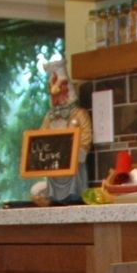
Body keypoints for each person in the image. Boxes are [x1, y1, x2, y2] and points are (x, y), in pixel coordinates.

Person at [35, 59, 94, 205]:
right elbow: (40, 139)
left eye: (61, 92)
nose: (58, 98)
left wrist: (75, 154)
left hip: (73, 169)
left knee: (74, 192)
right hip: (54, 168)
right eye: (55, 94)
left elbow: (86, 137)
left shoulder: (80, 114)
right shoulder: (49, 118)